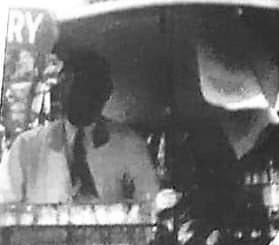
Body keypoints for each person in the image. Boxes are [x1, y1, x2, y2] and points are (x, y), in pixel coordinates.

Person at [0, 49, 166, 207]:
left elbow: (150, 204)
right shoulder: (27, 147)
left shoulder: (129, 145)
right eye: (68, 85)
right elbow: (6, 210)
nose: (76, 95)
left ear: (105, 92)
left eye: (85, 86)